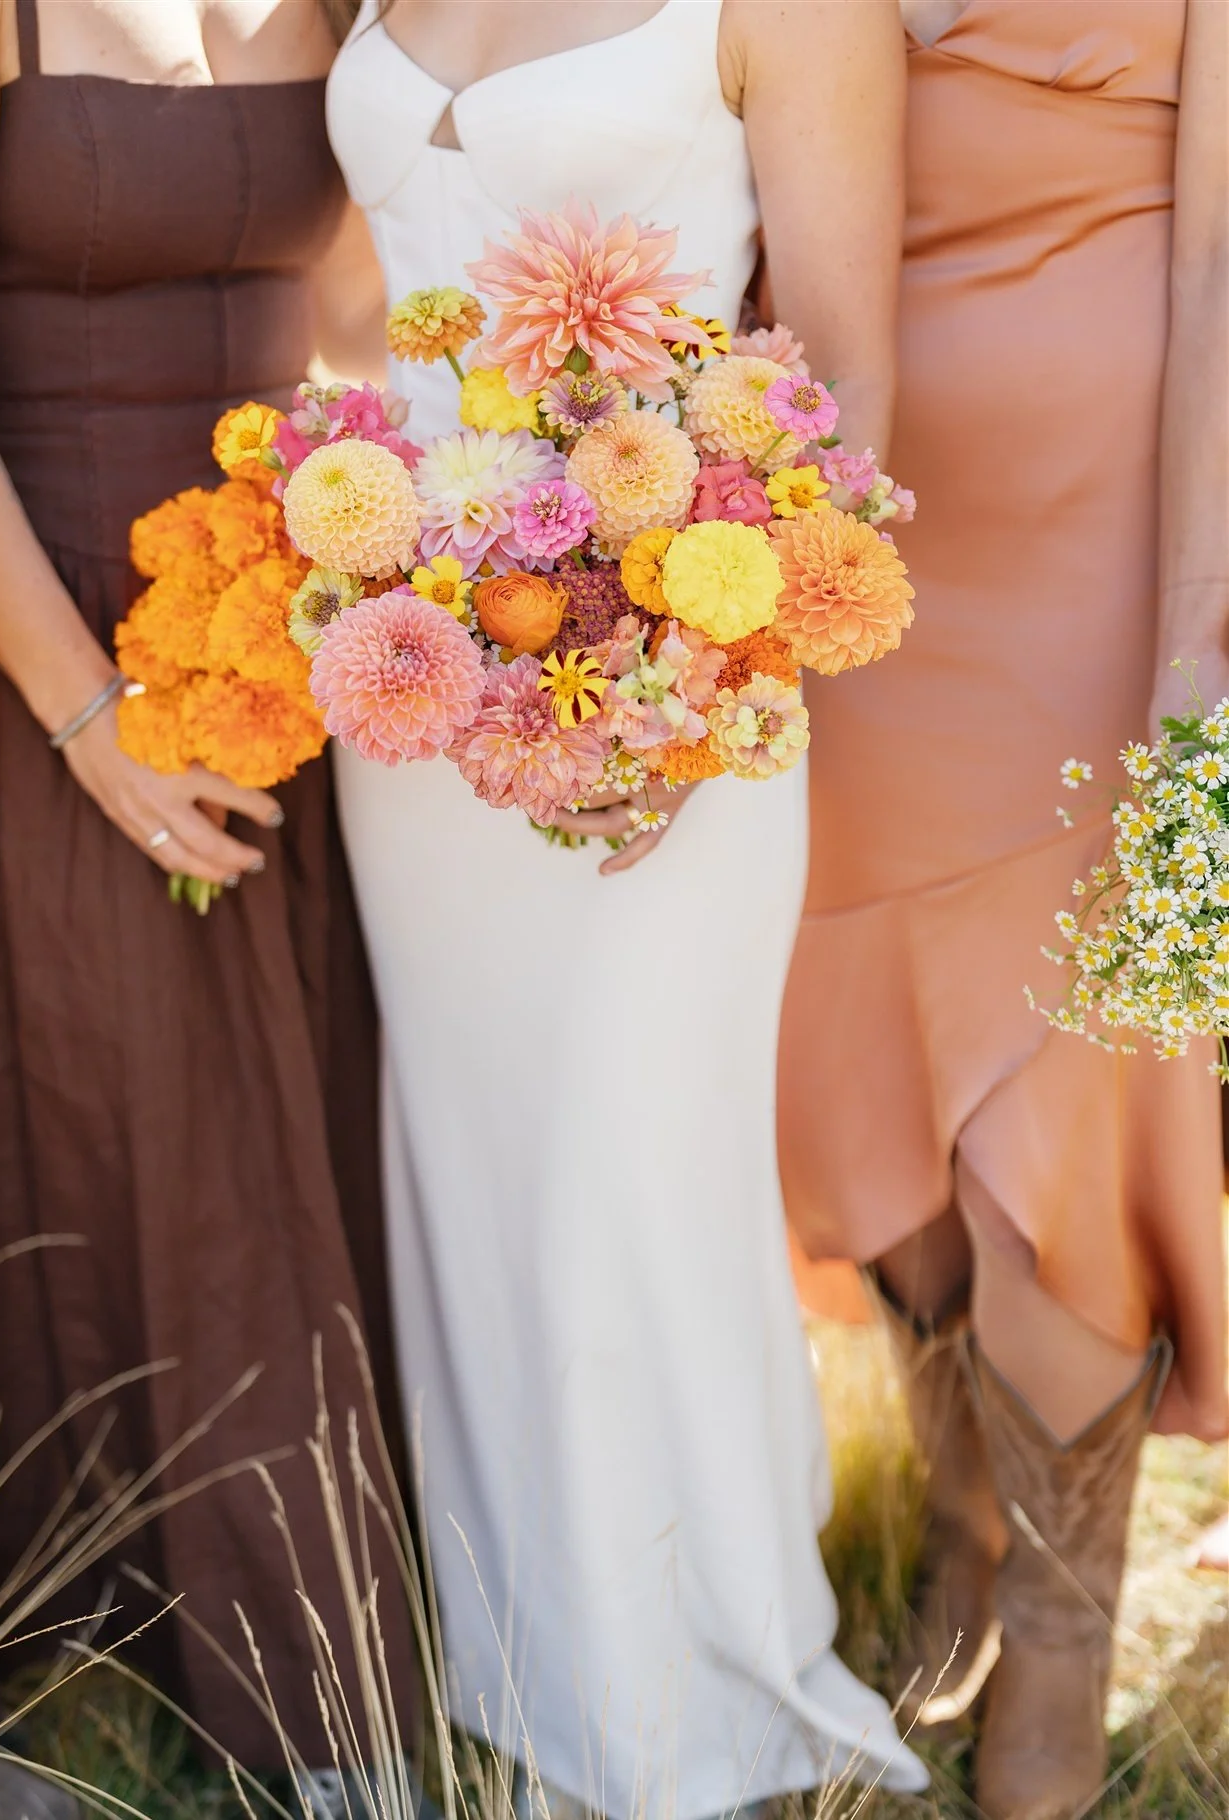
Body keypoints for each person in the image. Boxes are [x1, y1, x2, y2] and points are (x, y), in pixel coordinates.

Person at [323, 1, 926, 1812]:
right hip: (416, 668)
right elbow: (357, 307)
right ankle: (533, 1680)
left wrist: (702, 690)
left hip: (673, 678)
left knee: (629, 1168)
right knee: (471, 1161)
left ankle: (693, 1716)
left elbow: (842, 387)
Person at [0, 0, 410, 1786]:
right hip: (44, 632)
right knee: (135, 1124)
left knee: (289, 1121)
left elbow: (351, 314)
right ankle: (171, 1656)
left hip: (287, 624)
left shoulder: (343, 5)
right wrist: (87, 717)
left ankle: (334, 1630)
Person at [779, 3, 1229, 1816]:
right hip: (839, 521)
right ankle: (960, 1539)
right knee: (864, 1040)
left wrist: (1202, 626)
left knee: (1069, 1078)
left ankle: (1055, 1637)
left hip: (1107, 536)